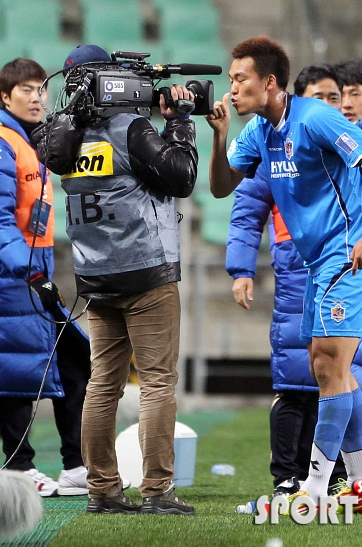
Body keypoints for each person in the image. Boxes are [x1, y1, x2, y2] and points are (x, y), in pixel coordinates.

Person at [226, 53, 362, 502]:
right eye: (230, 78)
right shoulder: (260, 130)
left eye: (240, 78)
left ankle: (317, 487)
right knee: (337, 370)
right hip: (317, 263)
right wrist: (219, 132)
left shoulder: (316, 118)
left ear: (268, 82)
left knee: (326, 365)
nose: (232, 86)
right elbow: (225, 186)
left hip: (350, 257)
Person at [34, 44, 198, 515]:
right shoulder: (131, 128)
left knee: (102, 382)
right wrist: (181, 123)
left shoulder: (59, 139)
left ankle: (103, 489)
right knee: (157, 382)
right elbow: (181, 175)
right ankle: (157, 490)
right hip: (147, 274)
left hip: (95, 276)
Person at [0, 58, 92, 497]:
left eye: (40, 89)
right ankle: (19, 469)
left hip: (34, 276)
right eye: (26, 90)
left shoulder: (29, 141)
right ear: (4, 96)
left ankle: (75, 465)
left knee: (75, 361)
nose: (37, 97)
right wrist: (25, 269)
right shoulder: (2, 141)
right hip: (11, 277)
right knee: (16, 371)